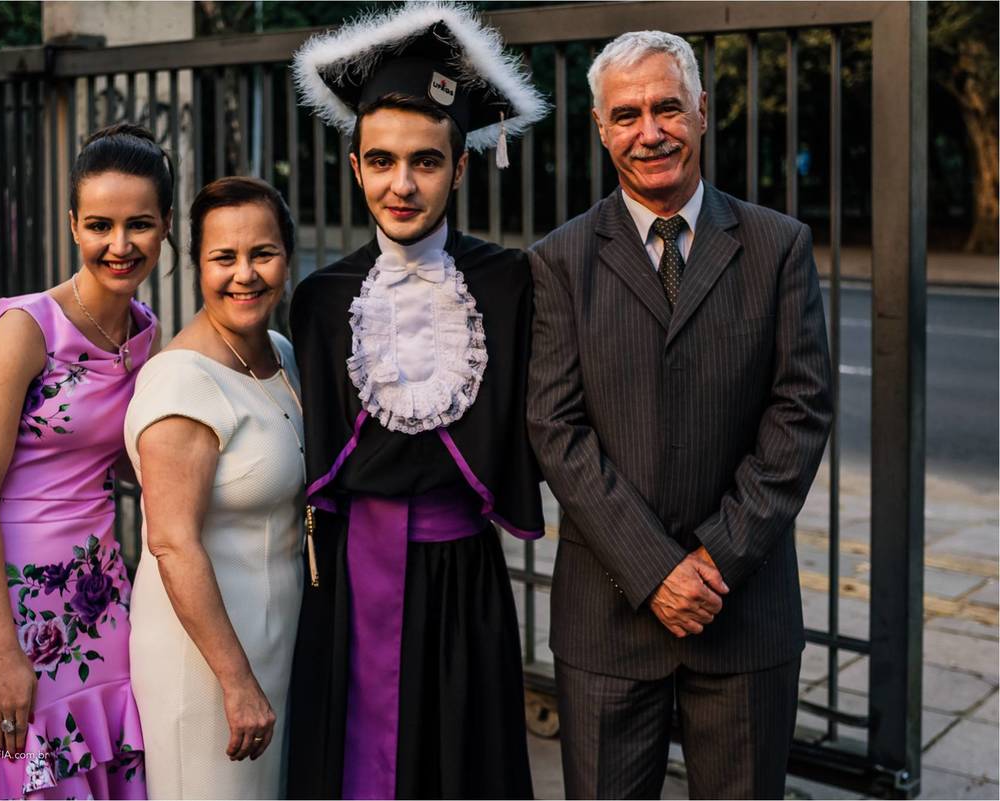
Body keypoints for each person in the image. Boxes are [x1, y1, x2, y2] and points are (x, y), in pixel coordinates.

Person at [526, 30, 834, 800]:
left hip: (741, 611)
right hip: (608, 617)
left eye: (667, 107)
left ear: (701, 111)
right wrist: (656, 568)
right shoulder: (560, 261)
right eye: (626, 115)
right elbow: (555, 428)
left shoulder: (777, 246)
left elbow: (800, 410)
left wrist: (714, 559)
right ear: (600, 128)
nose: (649, 131)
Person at [286, 4, 550, 798]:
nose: (402, 184)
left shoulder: (508, 286)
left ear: (461, 168)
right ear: (357, 164)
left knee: (460, 761)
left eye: (426, 162)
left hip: (465, 580)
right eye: (382, 161)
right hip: (351, 584)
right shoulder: (322, 300)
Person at [0, 123, 173, 799]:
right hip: (8, 603)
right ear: (73, 224)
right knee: (18, 775)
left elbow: (128, 457)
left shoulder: (146, 332)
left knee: (99, 764)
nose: (119, 245)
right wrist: (4, 652)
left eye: (140, 225)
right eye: (99, 224)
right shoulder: (27, 329)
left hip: (98, 598)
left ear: (164, 232)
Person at [122, 177, 303, 799]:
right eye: (223, 258)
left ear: (289, 255)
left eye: (263, 253)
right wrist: (235, 681)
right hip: (203, 661)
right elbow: (173, 544)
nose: (245, 275)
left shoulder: (277, 351)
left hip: (272, 640)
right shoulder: (180, 382)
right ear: (197, 265)